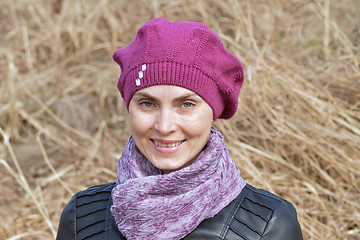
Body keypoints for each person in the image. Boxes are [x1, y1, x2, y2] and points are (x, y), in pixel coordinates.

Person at [56, 18, 303, 240]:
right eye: (147, 103)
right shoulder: (82, 218)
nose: (164, 126)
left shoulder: (269, 225)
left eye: (186, 104)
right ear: (128, 108)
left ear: (213, 113)